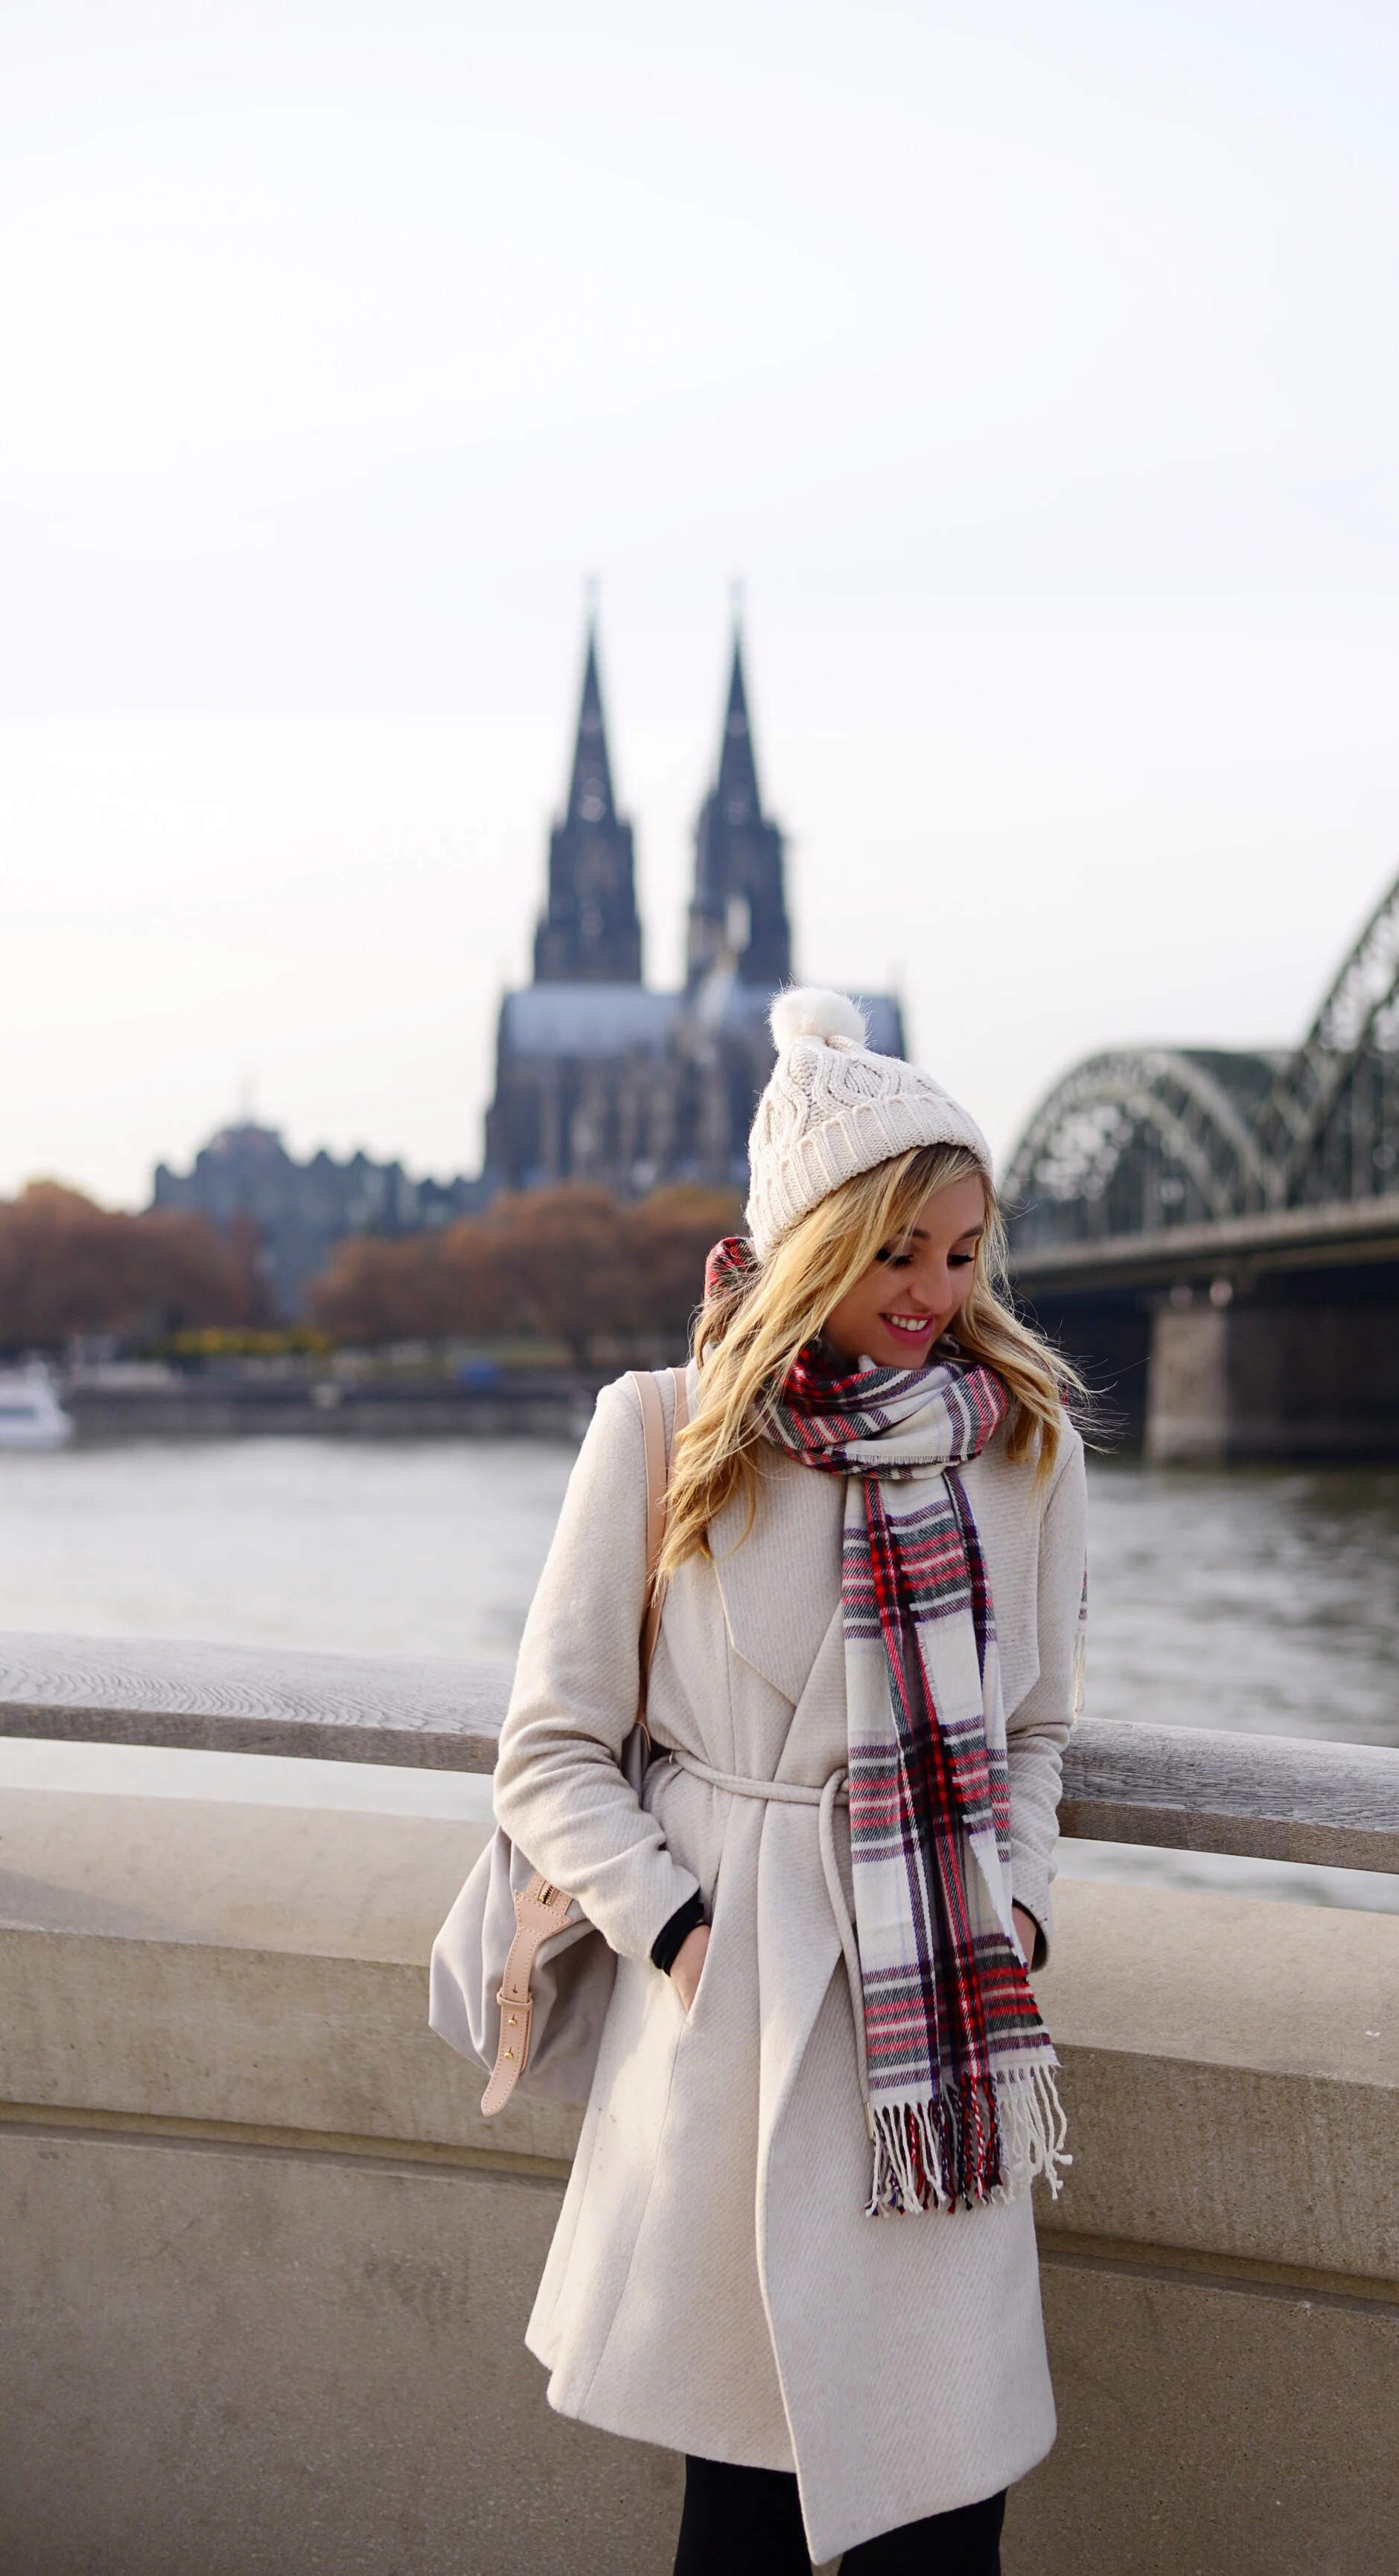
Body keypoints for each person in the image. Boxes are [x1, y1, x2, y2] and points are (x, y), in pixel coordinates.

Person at [491, 988, 1089, 2573]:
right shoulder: (665, 1428)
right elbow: (548, 1747)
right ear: (810, 1237)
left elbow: (1035, 1730)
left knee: (942, 2508)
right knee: (744, 2513)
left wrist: (1015, 1905)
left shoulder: (1018, 1442)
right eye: (896, 1255)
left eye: (960, 1255)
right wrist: (684, 1929)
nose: (932, 1293)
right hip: (732, 2023)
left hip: (939, 2019)